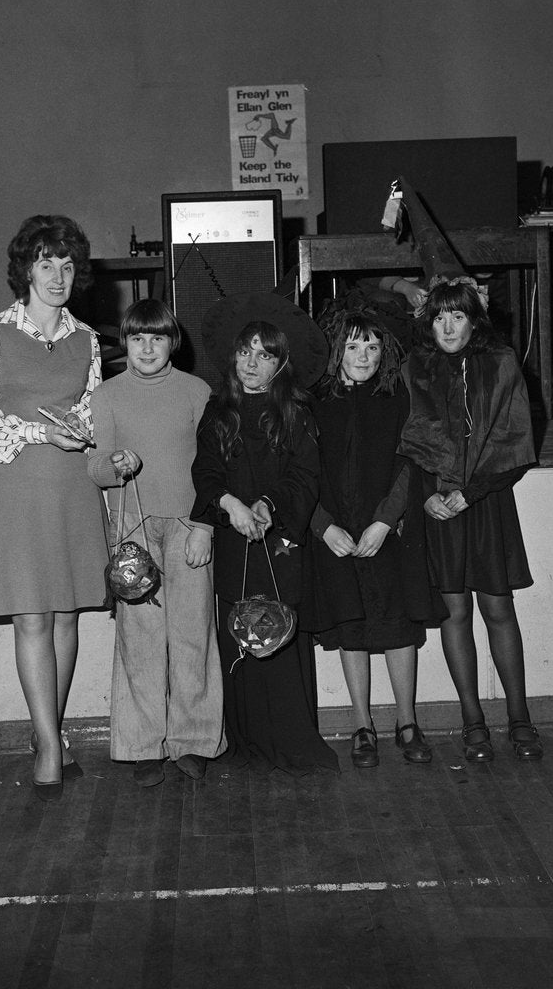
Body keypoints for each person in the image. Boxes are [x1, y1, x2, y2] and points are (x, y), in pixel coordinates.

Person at [0, 214, 107, 800]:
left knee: (67, 614)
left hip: (73, 487)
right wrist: (42, 434)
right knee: (33, 617)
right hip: (17, 486)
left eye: (68, 265)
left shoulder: (88, 339)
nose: (58, 276)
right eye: (46, 263)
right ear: (25, 270)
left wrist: (83, 431)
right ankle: (46, 743)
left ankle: (54, 733)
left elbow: (94, 412)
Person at [191, 292, 338, 777]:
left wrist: (267, 506)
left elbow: (304, 476)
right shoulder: (217, 412)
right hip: (234, 538)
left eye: (265, 355)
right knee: (238, 636)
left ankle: (292, 742)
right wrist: (229, 504)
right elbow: (206, 472)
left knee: (280, 633)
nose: (252, 363)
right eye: (245, 352)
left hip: (281, 542)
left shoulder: (297, 414)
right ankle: (247, 741)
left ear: (280, 365)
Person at [397, 276, 542, 762]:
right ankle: (472, 719)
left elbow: (517, 445)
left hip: (486, 503)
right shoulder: (416, 368)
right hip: (438, 506)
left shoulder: (500, 364)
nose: (447, 325)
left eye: (457, 315)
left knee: (499, 609)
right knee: (454, 612)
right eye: (439, 316)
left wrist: (471, 493)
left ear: (474, 318)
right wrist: (427, 499)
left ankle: (519, 717)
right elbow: (409, 445)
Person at [87, 299, 225, 787]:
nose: (147, 348)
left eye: (158, 338)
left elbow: (215, 468)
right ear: (124, 342)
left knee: (192, 634)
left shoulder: (198, 391)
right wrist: (114, 464)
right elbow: (97, 468)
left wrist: (206, 526)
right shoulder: (106, 395)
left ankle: (194, 738)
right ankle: (143, 743)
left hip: (189, 525)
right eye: (138, 338)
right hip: (133, 528)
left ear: (173, 342)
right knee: (139, 639)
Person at [305, 302, 445, 769]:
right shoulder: (314, 402)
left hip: (388, 531)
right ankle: (363, 725)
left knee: (398, 625)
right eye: (352, 345)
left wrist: (385, 521)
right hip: (336, 534)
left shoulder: (395, 396)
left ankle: (407, 721)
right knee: (352, 627)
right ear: (335, 350)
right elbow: (298, 472)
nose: (363, 355)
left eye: (372, 344)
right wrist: (324, 527)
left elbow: (409, 462)